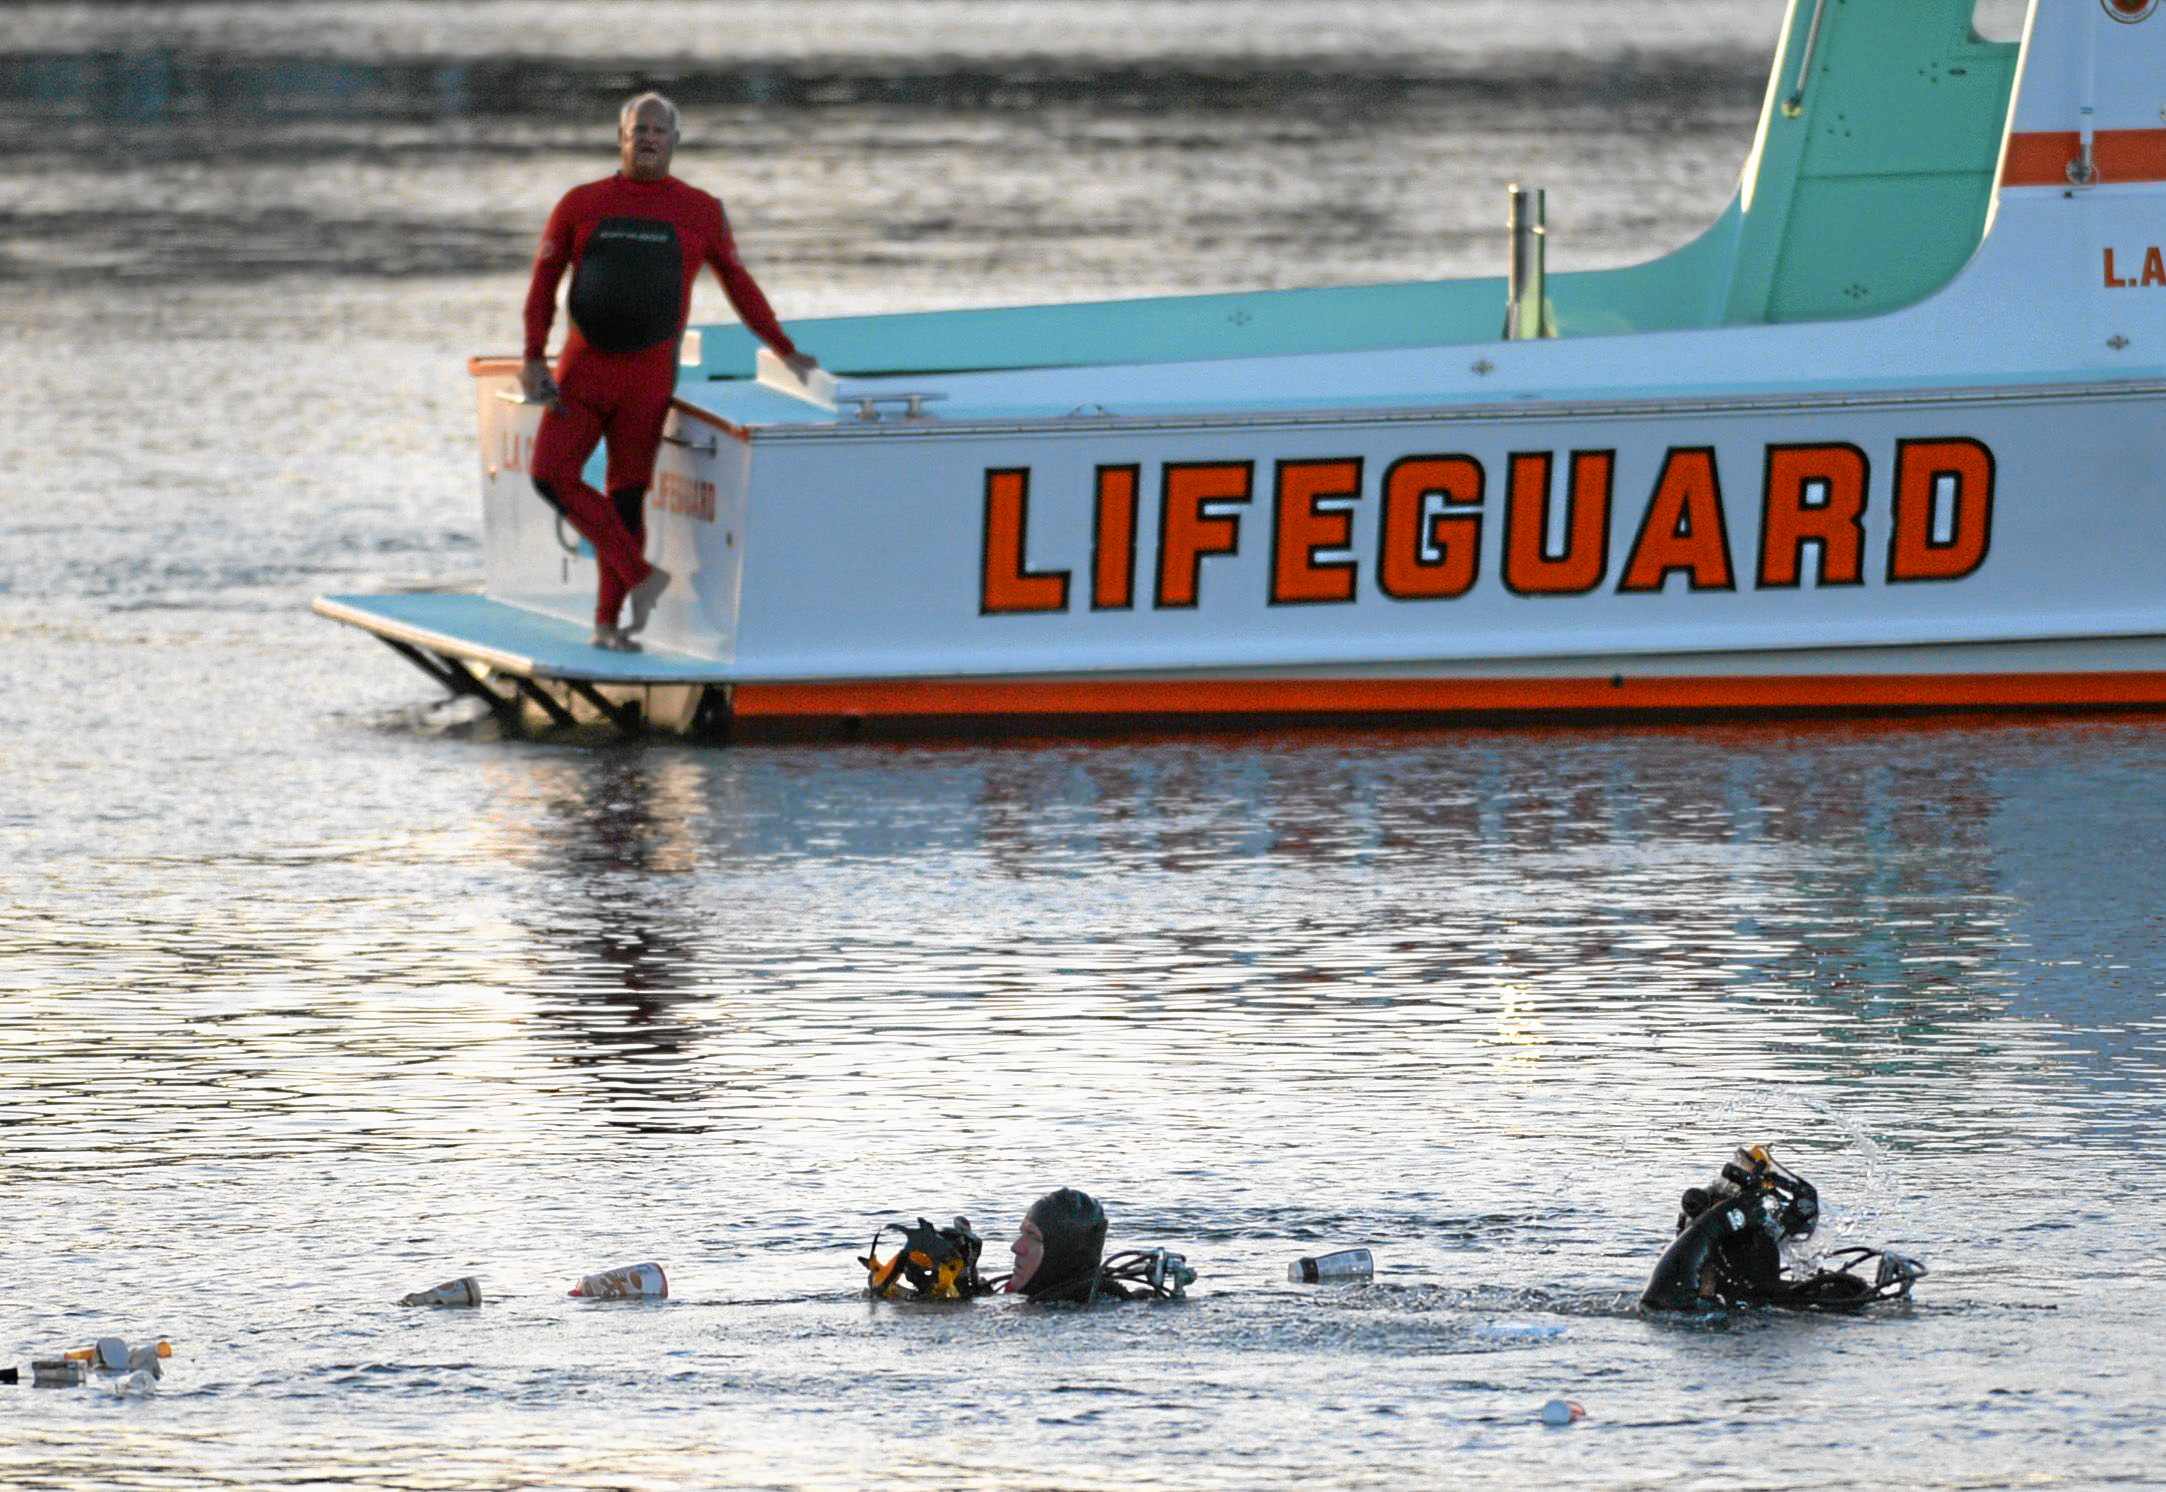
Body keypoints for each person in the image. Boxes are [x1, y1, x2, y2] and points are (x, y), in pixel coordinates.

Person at [520, 91, 819, 651]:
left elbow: (739, 285)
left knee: (627, 498)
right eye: (639, 131)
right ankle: (639, 573)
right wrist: (533, 356)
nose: (649, 139)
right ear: (621, 139)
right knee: (549, 476)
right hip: (582, 373)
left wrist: (783, 347)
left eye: (659, 131)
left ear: (676, 142)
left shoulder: (701, 210)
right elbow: (543, 285)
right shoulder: (580, 203)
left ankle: (607, 625)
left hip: (647, 383)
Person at [1639, 1145, 1926, 1312]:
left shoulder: (1789, 1302)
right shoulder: (1678, 1308)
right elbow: (1660, 1299)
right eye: (1762, 1238)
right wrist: (1724, 1216)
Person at [860, 1188, 1193, 1304]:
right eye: (1022, 1234)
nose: (1015, 1248)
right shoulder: (1034, 1297)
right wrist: (965, 1276)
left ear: (1061, 1252)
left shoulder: (1078, 1306)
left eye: (1032, 1238)